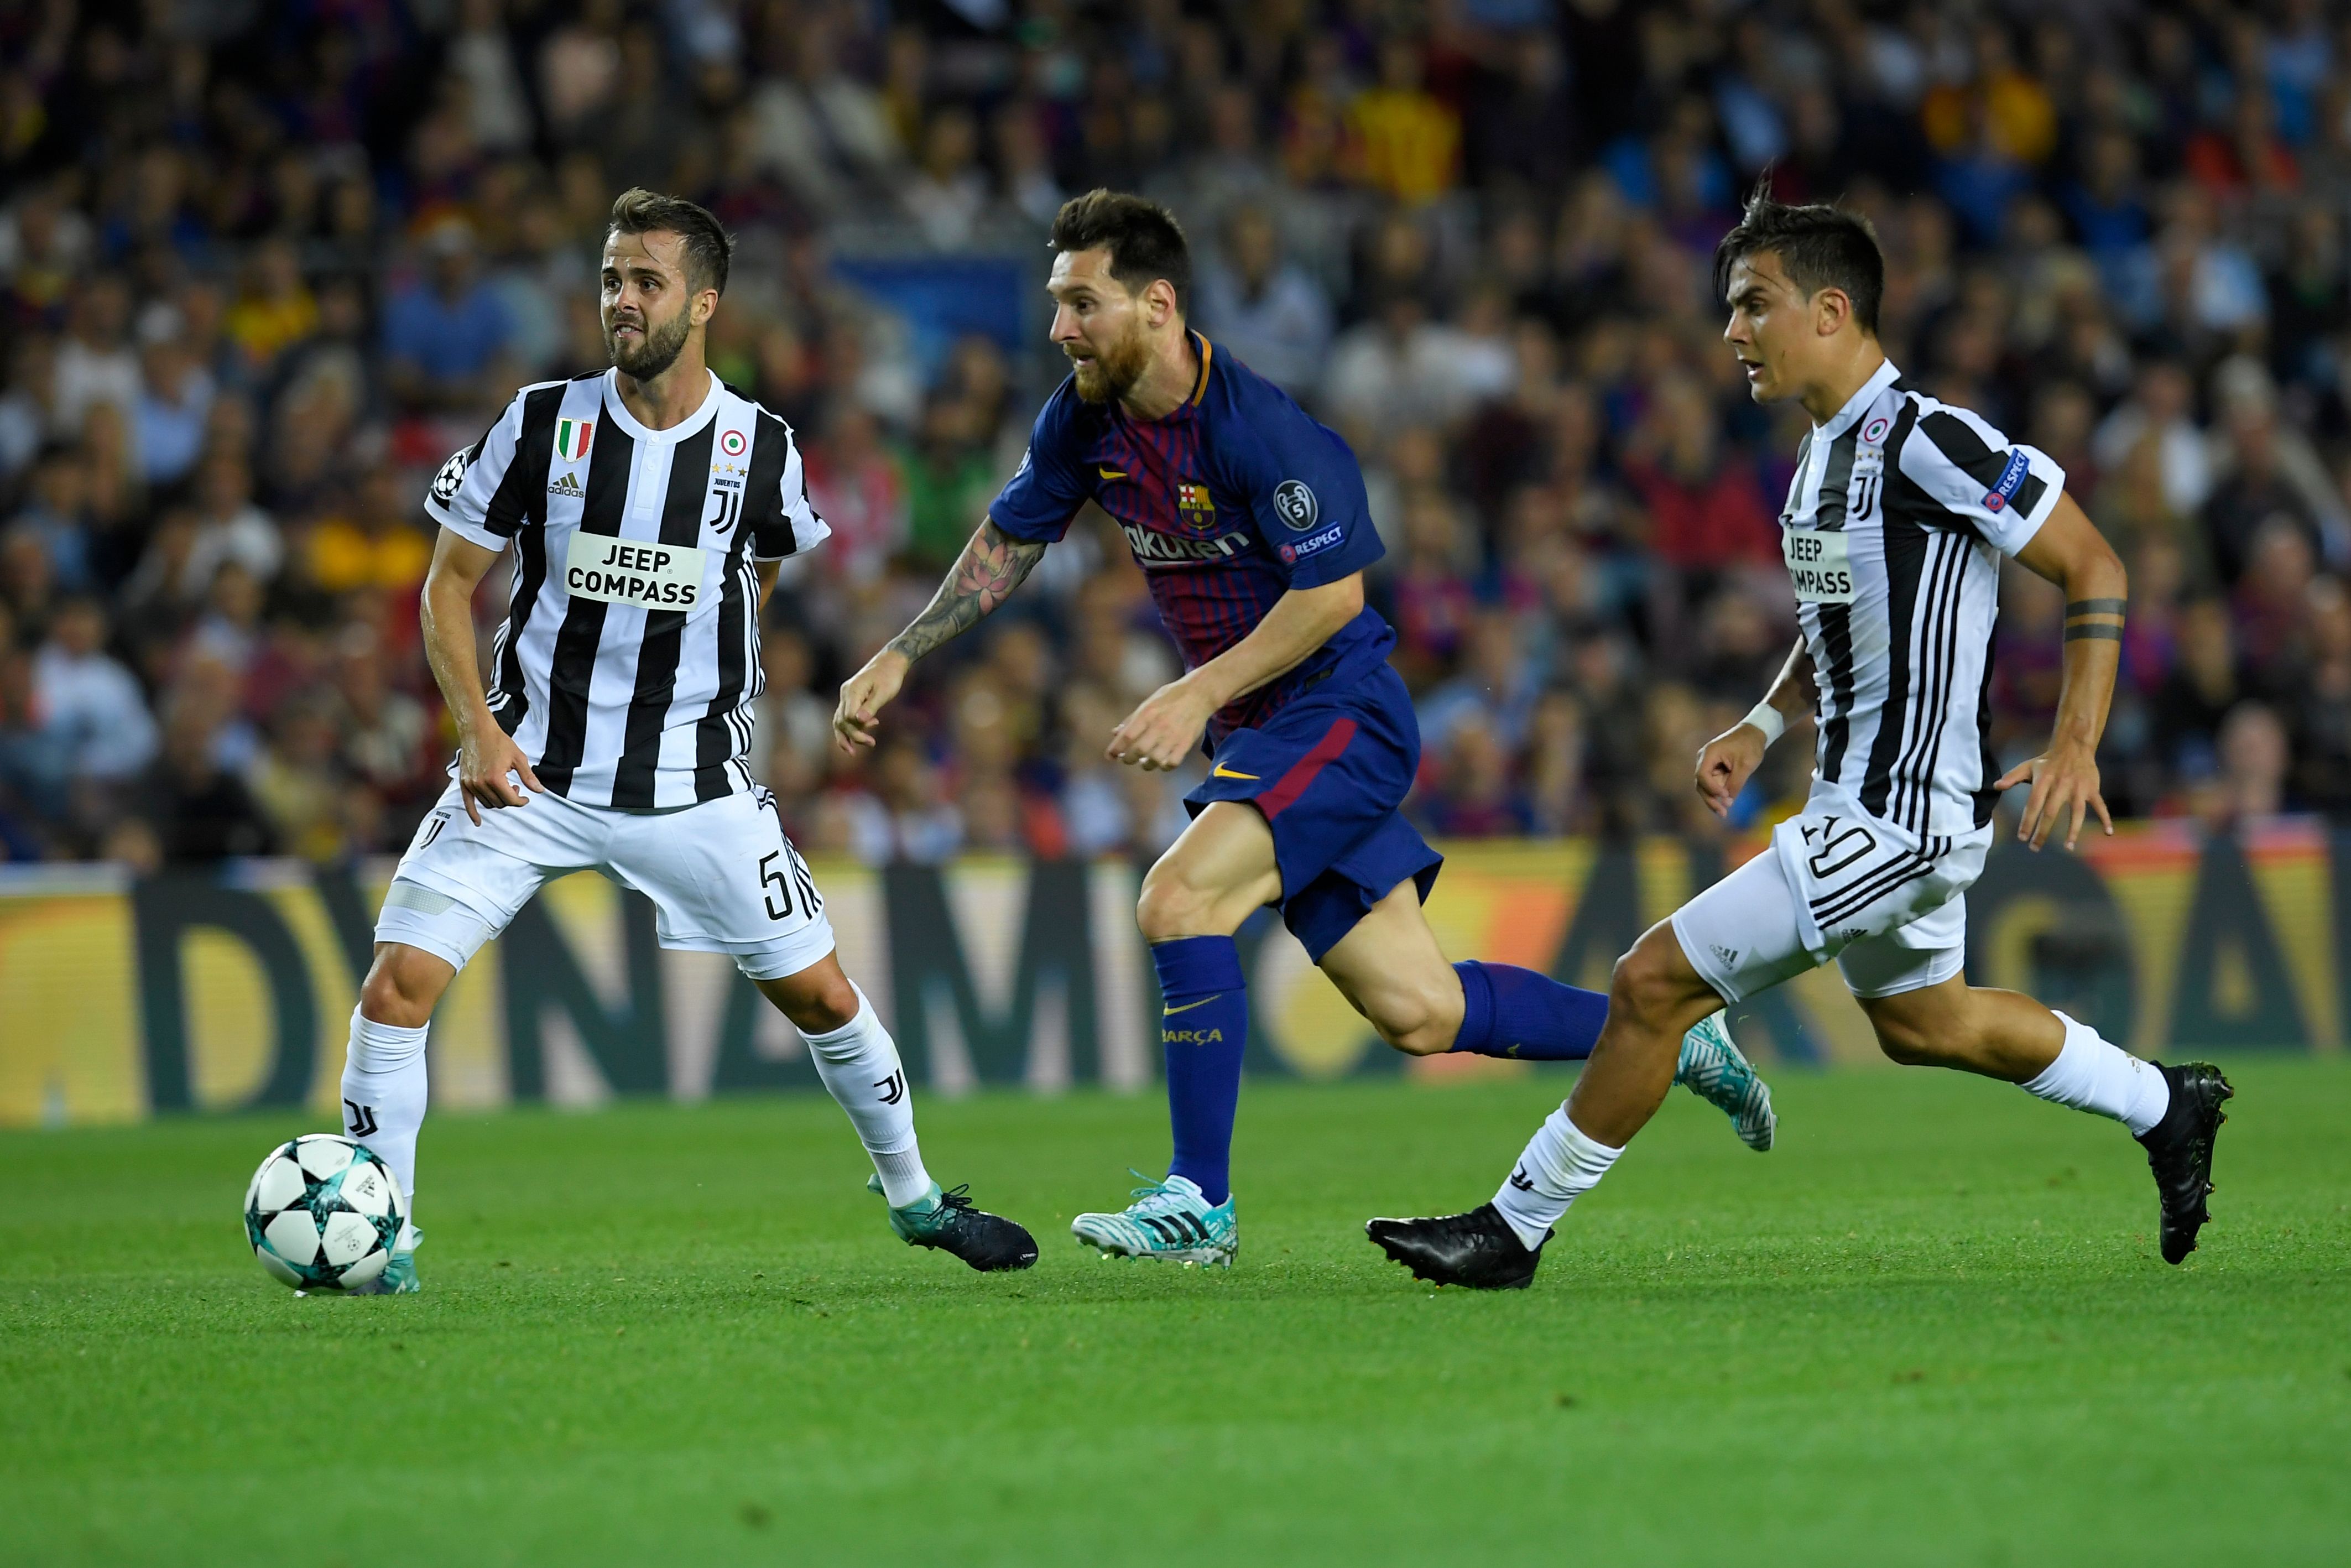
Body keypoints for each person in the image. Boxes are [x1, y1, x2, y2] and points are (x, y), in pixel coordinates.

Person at [833, 190, 1774, 1269]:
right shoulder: (1081, 420)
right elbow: (1008, 539)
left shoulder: (1260, 429)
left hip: (1342, 712)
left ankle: (1201, 1200)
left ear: (1156, 303)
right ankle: (1671, 1034)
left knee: (1177, 897)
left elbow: (1331, 597)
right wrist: (903, 650)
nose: (1059, 328)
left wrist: (1192, 693)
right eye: (1056, 303)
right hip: (1264, 732)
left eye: (1081, 303)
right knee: (1420, 1009)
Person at [1367, 194, 2233, 1290]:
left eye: (1751, 305)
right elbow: (1839, 620)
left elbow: (2093, 562)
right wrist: (1763, 719)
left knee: (1648, 983)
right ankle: (2166, 1103)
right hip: (1857, 801)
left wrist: (2075, 742)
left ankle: (1512, 1225)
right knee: (1924, 1022)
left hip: (1902, 814)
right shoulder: (1820, 458)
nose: (1730, 330)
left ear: (1830, 311)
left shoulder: (1933, 438)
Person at [340, 189, 1037, 1294]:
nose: (622, 298)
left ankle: (914, 1199)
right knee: (395, 985)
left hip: (693, 784)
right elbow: (447, 586)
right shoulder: (537, 423)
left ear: (703, 301)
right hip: (529, 769)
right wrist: (475, 727)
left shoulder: (761, 449)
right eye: (611, 277)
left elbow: (757, 583)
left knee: (821, 996)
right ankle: (375, 1242)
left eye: (646, 280)